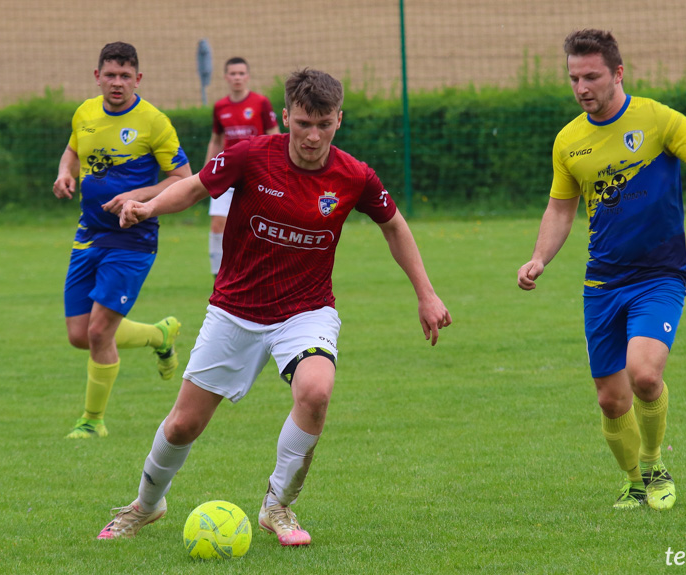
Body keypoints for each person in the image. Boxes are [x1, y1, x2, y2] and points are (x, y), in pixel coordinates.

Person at [96, 68, 452, 546]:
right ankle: (145, 503)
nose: (313, 135)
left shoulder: (354, 175)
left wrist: (426, 293)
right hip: (234, 309)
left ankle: (277, 505)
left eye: (324, 123)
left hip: (305, 311)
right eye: (303, 123)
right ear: (285, 117)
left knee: (316, 392)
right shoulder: (251, 156)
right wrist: (149, 207)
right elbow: (196, 187)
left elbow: (394, 225)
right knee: (184, 424)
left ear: (339, 119)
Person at [517, 29, 686, 511]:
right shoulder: (569, 141)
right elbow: (560, 210)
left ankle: (655, 462)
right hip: (602, 283)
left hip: (659, 275)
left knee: (645, 376)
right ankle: (634, 481)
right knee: (611, 400)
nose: (581, 87)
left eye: (591, 76)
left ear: (617, 73)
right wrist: (539, 257)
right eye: (573, 78)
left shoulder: (657, 120)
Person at [52, 42, 192, 439]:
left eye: (125, 76)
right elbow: (72, 151)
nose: (117, 83)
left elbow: (183, 179)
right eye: (110, 75)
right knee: (80, 335)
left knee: (99, 333)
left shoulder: (153, 121)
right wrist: (66, 172)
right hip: (89, 234)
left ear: (138, 79)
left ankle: (92, 422)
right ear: (97, 76)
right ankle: (158, 335)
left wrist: (140, 197)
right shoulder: (85, 112)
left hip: (133, 238)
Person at [205, 57, 280, 276]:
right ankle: (218, 275)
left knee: (256, 227)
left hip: (256, 176)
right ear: (226, 77)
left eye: (241, 73)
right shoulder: (220, 107)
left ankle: (258, 273)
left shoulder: (261, 103)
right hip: (227, 175)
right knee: (218, 224)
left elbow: (274, 137)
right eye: (233, 73)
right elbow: (216, 141)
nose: (237, 77)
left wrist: (274, 170)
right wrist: (206, 172)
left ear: (247, 76)